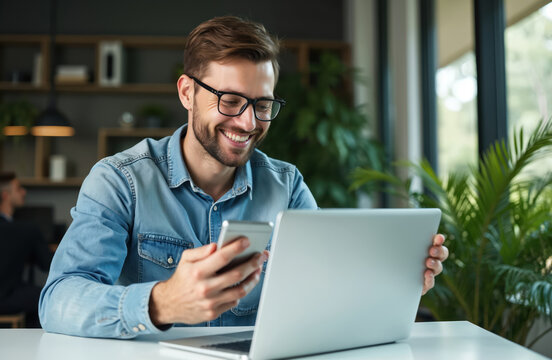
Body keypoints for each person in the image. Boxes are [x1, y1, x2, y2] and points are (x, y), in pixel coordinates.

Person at [39, 16, 448, 338]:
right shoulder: (118, 181)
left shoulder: (286, 187)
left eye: (262, 105)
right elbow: (58, 301)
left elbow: (324, 299)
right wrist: (162, 303)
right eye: (230, 101)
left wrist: (395, 287)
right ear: (186, 93)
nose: (248, 122)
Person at [0, 172, 52, 327]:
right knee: (45, 297)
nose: (24, 192)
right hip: (5, 298)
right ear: (5, 195)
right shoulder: (26, 230)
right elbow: (47, 264)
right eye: (18, 188)